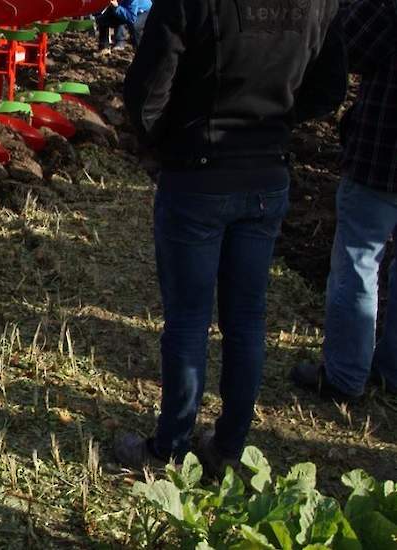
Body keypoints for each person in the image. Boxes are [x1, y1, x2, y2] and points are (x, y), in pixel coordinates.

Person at [113, 0, 347, 476]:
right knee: (246, 319)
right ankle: (228, 447)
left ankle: (170, 451)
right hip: (264, 172)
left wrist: (170, 143)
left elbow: (145, 91)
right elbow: (328, 89)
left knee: (188, 320)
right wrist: (271, 124)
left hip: (199, 175)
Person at [292, 0, 397, 403]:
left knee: (357, 261)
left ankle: (344, 375)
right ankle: (391, 369)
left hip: (384, 150)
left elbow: (348, 43)